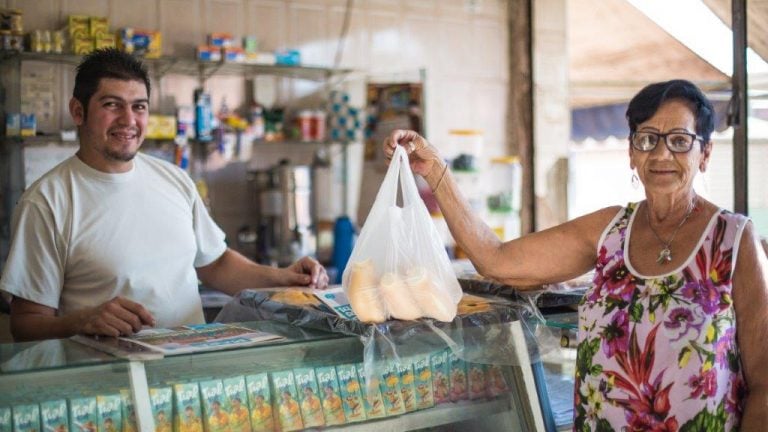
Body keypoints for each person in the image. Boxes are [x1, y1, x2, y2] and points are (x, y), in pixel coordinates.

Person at [383, 79, 768, 431]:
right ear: (632, 153)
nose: (662, 152)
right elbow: (495, 260)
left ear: (704, 154)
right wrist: (435, 171)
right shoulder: (610, 231)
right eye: (647, 139)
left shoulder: (733, 240)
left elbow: (765, 384)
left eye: (680, 140)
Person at [0, 48, 328, 341]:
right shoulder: (47, 201)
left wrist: (283, 278)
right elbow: (26, 324)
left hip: (189, 378)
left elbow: (216, 264)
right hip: (106, 388)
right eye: (111, 105)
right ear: (77, 111)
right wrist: (82, 320)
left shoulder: (173, 179)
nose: (128, 120)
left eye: (138, 107)